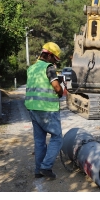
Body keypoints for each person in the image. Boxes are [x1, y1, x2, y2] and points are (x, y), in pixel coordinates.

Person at [24, 42, 64, 179]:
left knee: (40, 140)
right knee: (57, 138)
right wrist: (61, 91)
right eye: (54, 59)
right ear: (49, 55)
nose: (55, 62)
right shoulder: (49, 68)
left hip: (32, 108)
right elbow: (57, 88)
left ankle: (37, 170)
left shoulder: (31, 68)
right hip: (47, 109)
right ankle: (46, 167)